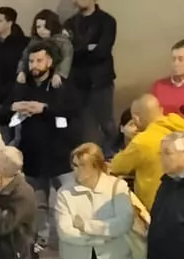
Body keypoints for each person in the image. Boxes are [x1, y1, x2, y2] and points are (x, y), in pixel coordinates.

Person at [3, 41, 79, 242]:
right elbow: (2, 115)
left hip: (60, 155)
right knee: (38, 205)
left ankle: (72, 236)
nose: (34, 65)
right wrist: (14, 107)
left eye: (39, 60)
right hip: (32, 157)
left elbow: (72, 111)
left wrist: (44, 108)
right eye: (31, 61)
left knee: (70, 200)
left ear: (50, 62)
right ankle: (41, 241)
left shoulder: (59, 84)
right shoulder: (21, 85)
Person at [66, 0, 119, 148]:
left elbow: (102, 51)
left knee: (107, 124)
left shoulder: (107, 21)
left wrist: (79, 49)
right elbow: (67, 54)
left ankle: (113, 155)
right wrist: (88, 48)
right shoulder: (70, 23)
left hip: (101, 81)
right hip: (78, 84)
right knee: (83, 128)